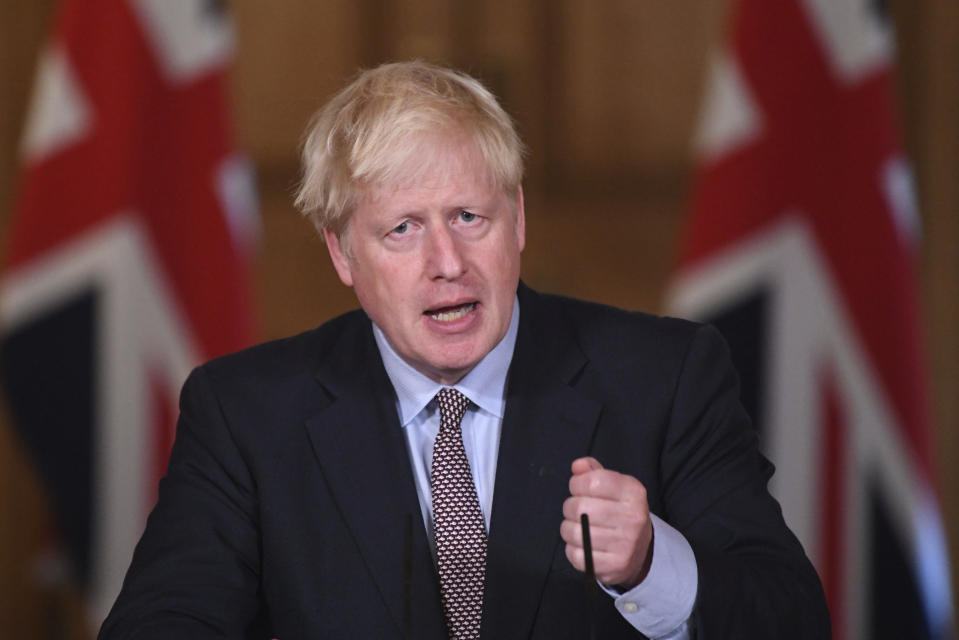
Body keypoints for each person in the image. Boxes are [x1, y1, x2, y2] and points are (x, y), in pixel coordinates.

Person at [100, 61, 829, 639]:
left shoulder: (665, 377)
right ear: (342, 253)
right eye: (402, 230)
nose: (447, 262)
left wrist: (649, 566)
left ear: (515, 220)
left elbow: (790, 618)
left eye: (468, 216)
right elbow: (162, 621)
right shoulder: (246, 412)